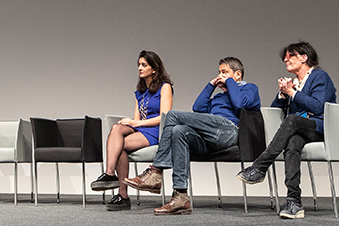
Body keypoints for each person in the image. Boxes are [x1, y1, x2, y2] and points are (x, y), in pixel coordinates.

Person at [123, 57, 259, 215]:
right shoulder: (219, 97)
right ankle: (181, 197)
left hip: (230, 131)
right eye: (219, 72)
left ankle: (156, 171)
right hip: (211, 135)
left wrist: (230, 83)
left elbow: (239, 104)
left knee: (172, 115)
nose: (220, 76)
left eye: (225, 72)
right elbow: (198, 107)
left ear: (237, 75)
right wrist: (211, 85)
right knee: (178, 131)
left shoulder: (249, 88)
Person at [236, 41, 336, 219]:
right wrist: (283, 94)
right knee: (292, 142)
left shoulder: (320, 76)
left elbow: (319, 107)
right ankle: (294, 201)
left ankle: (260, 167)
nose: (285, 59)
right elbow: (278, 110)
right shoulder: (295, 82)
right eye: (285, 57)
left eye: (290, 56)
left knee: (292, 120)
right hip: (300, 129)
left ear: (304, 57)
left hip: (318, 127)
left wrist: (293, 93)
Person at [89, 51, 174, 211]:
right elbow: (137, 119)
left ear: (154, 69)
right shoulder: (140, 92)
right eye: (139, 65)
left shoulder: (165, 87)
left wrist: (135, 122)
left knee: (120, 143)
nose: (140, 68)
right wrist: (129, 123)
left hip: (157, 131)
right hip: (143, 130)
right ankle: (117, 186)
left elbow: (165, 117)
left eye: (144, 65)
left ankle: (118, 188)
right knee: (117, 130)